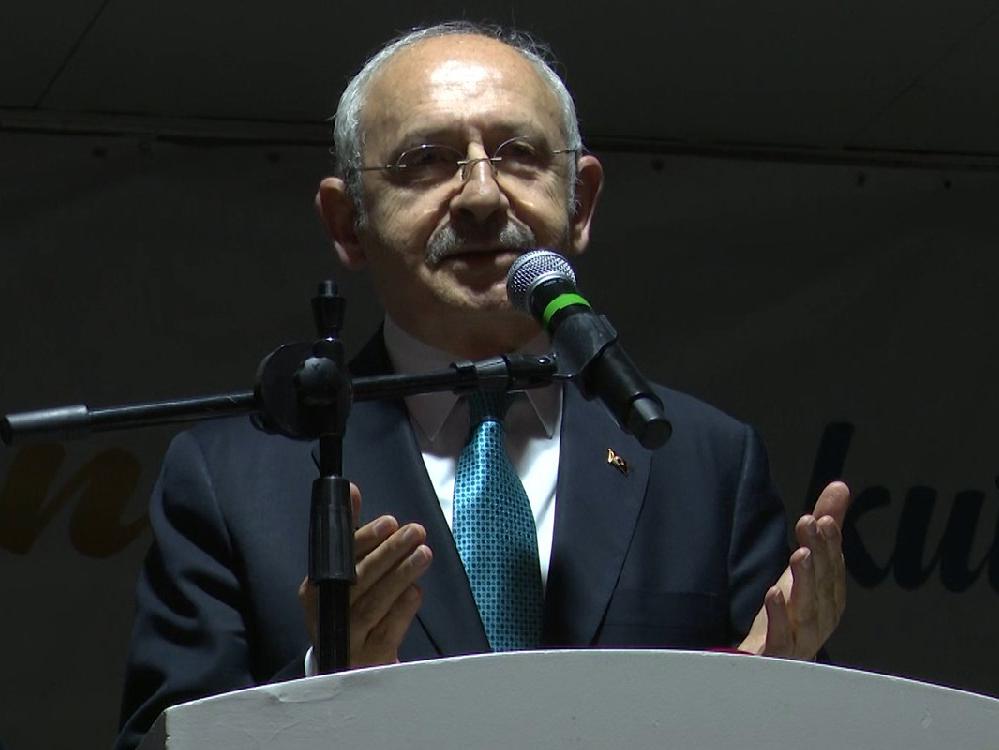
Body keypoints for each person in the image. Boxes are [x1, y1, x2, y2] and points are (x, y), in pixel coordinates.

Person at [115, 21, 851, 750]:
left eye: (519, 156)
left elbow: (798, 723)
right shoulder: (231, 480)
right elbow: (155, 743)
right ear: (347, 223)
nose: (480, 196)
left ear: (581, 201)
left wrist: (776, 698)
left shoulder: (706, 461)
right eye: (426, 160)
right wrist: (319, 685)